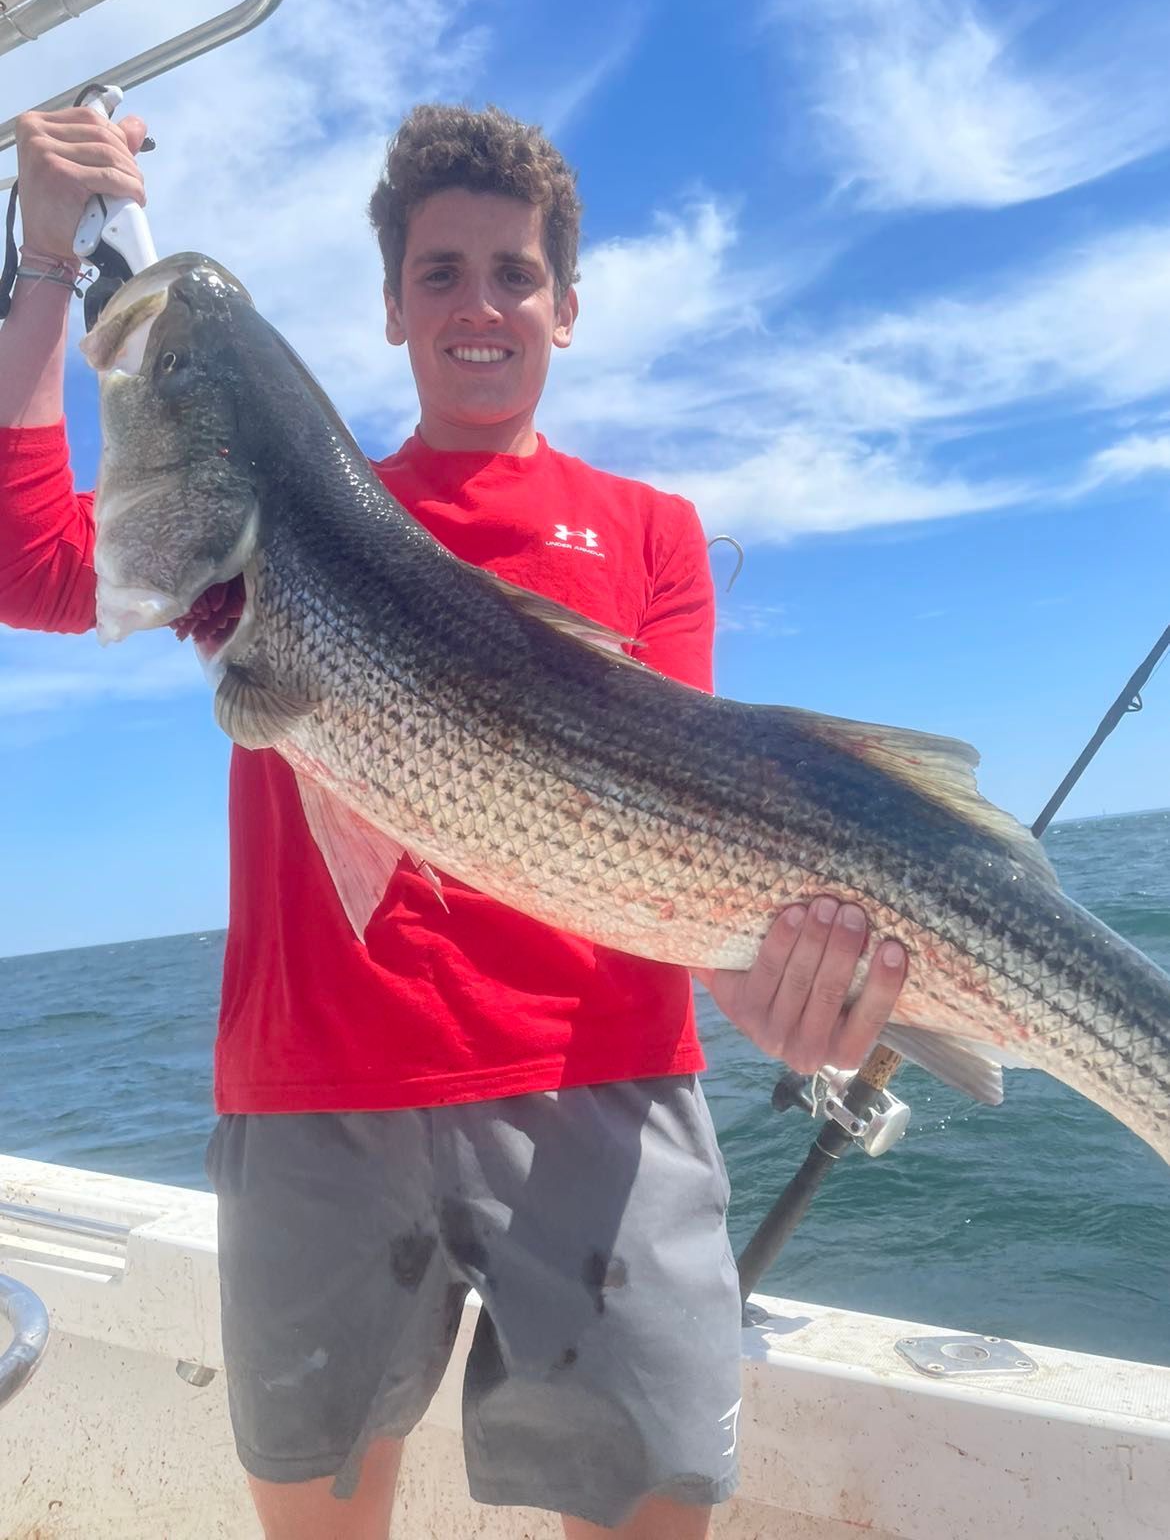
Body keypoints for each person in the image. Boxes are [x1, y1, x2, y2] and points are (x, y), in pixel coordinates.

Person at [0, 101, 908, 1540]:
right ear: (390, 308)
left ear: (565, 305)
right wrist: (45, 263)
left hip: (600, 1082)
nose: (479, 303)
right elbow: (24, 554)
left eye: (513, 272)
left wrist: (772, 981)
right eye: (439, 272)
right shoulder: (279, 506)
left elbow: (680, 814)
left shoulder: (653, 532)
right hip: (318, 1086)